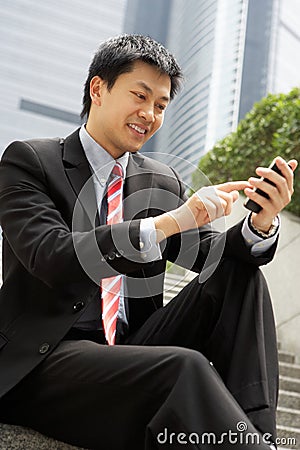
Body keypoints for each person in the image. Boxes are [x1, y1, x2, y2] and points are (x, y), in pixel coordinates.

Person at [0, 34, 297, 450]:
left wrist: (260, 222)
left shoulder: (160, 179)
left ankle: (255, 439)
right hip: (47, 359)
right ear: (98, 89)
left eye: (160, 105)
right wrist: (169, 222)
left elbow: (212, 254)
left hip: (133, 352)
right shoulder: (30, 161)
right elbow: (53, 256)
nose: (149, 114)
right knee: (185, 367)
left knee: (239, 277)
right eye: (139, 96)